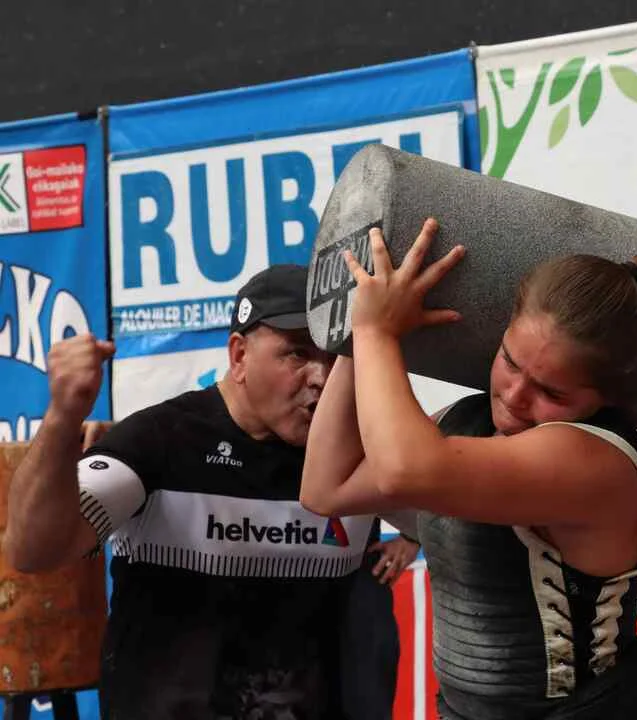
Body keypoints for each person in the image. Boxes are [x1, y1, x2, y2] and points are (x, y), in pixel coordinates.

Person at [301, 218, 637, 719]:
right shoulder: (469, 424)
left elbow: (404, 469)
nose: (514, 396)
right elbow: (326, 488)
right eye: (509, 360)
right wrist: (360, 331)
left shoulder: (596, 462)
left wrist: (376, 331)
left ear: (604, 398)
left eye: (551, 392)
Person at [3, 263, 418, 720]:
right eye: (298, 353)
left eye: (336, 356)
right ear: (239, 356)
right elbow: (33, 549)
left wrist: (413, 534)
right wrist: (62, 417)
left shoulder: (364, 450)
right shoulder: (158, 442)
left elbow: (456, 509)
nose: (321, 376)